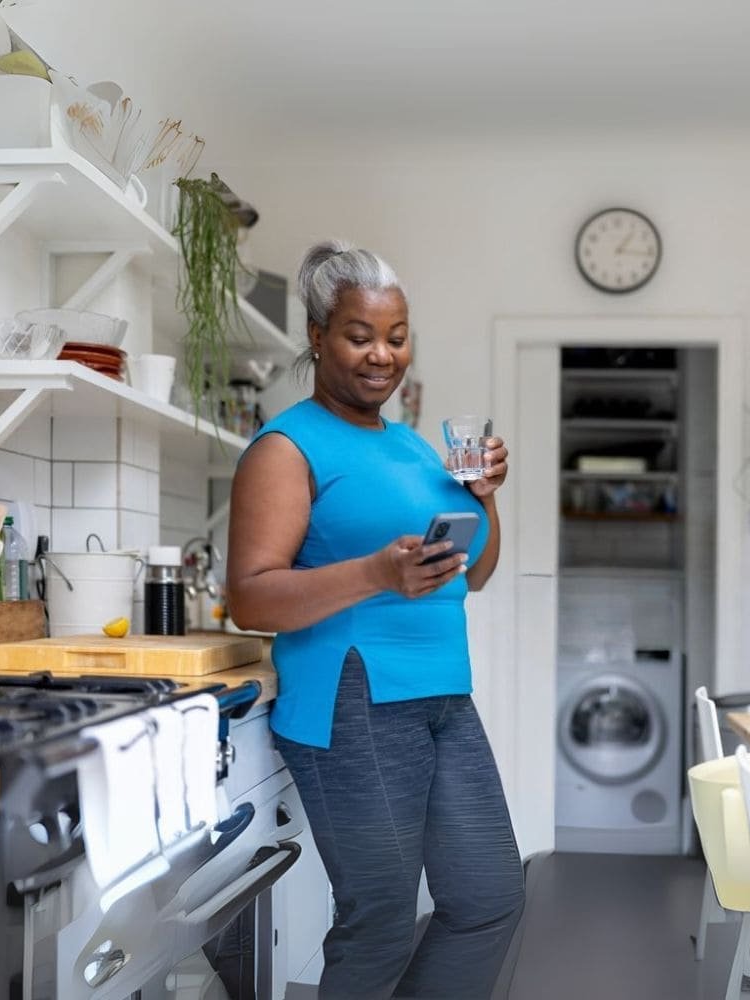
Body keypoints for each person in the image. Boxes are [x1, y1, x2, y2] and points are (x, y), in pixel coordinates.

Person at [225, 240, 525, 1000]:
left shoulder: (414, 446)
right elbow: (251, 597)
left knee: (489, 898)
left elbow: (474, 575)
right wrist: (375, 573)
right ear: (319, 335)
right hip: (353, 702)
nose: (381, 355)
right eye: (360, 335)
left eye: (395, 336)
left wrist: (483, 496)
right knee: (383, 919)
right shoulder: (287, 447)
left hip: (444, 696)